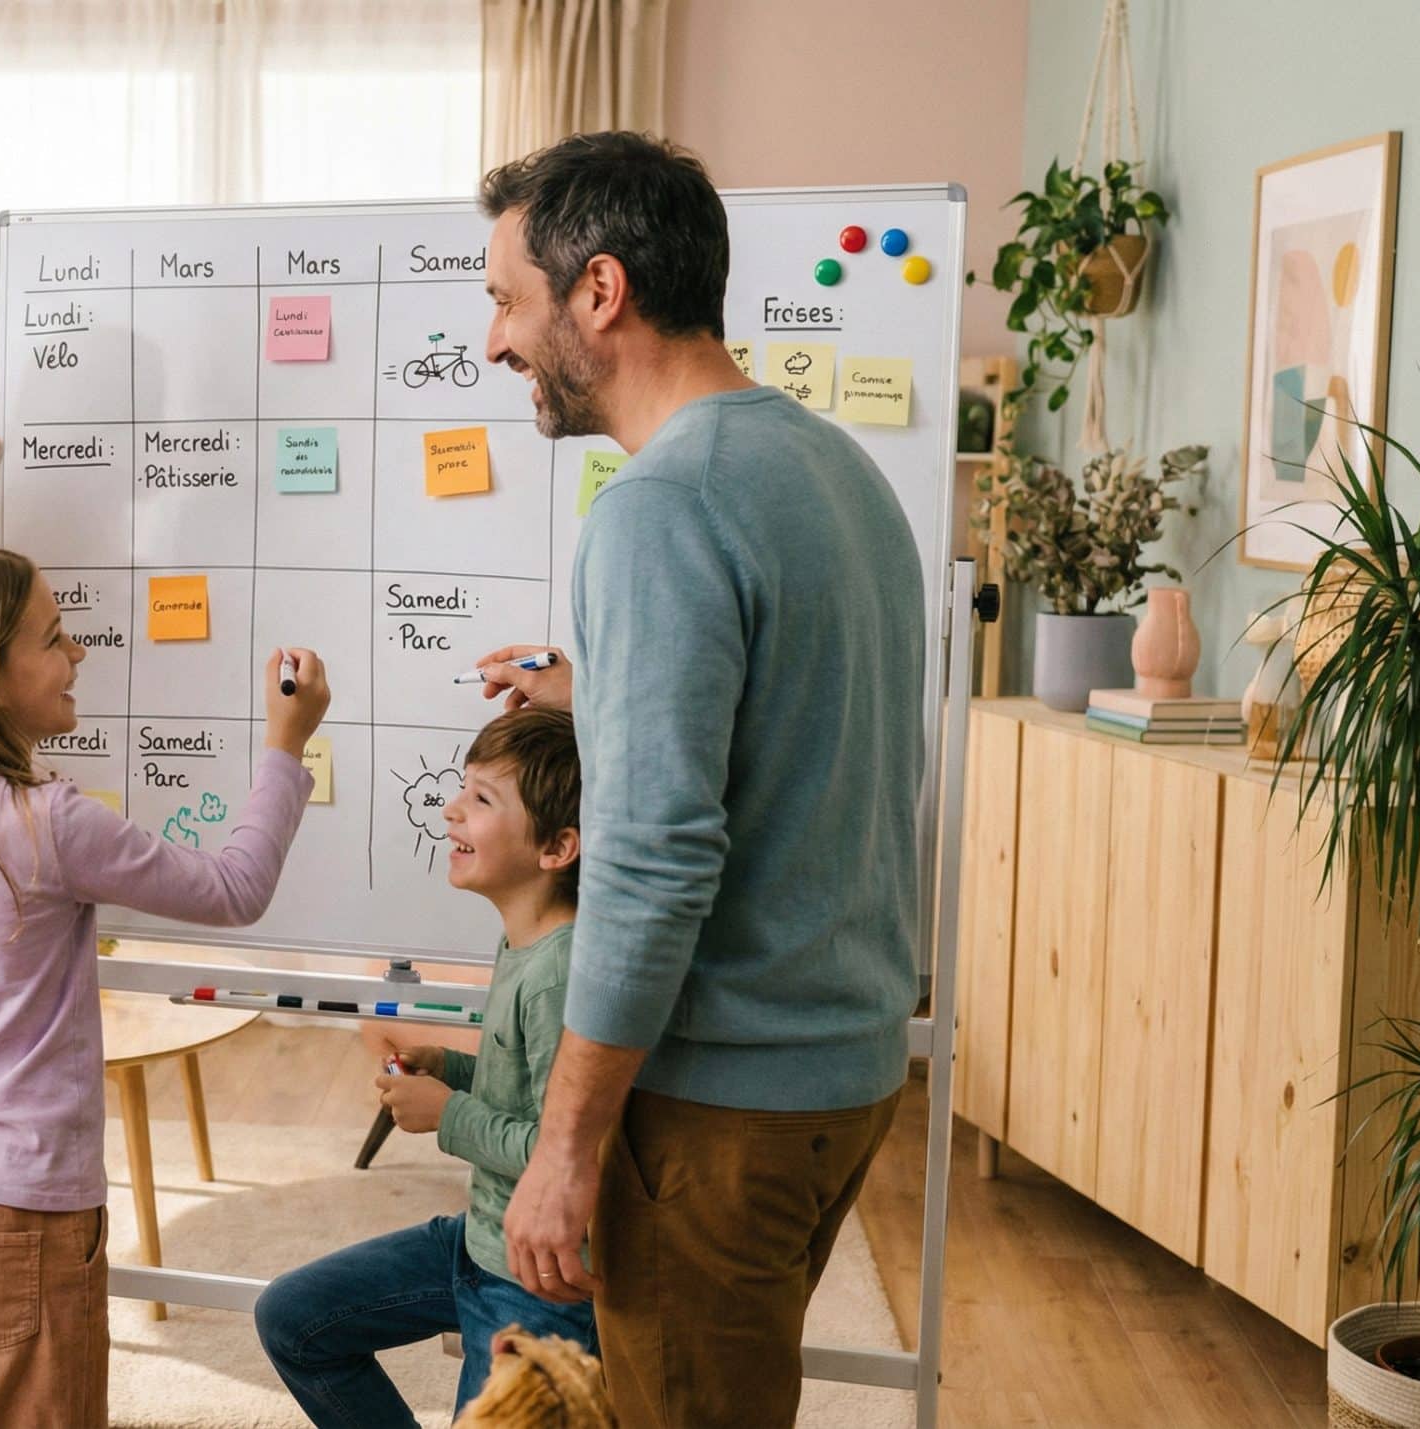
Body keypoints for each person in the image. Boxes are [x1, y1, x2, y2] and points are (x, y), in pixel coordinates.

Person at [471, 132, 926, 1427]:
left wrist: (563, 1148)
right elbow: (801, 723)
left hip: (721, 1104)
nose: (495, 342)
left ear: (598, 291)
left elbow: (655, 863)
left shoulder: (657, 506)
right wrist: (606, 693)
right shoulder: (835, 470)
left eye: (507, 300)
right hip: (843, 1072)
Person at [0, 549, 330, 1428]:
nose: (78, 653)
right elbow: (235, 888)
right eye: (54, 638)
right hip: (15, 1213)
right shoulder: (47, 822)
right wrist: (285, 745)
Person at [254, 707, 595, 1426]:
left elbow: (565, 1152)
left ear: (557, 847)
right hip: (477, 1242)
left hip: (534, 1284)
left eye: (482, 798)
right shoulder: (524, 944)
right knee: (292, 1319)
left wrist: (448, 1115)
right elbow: (531, 1092)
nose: (451, 808)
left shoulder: (559, 973)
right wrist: (451, 1068)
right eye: (462, 789)